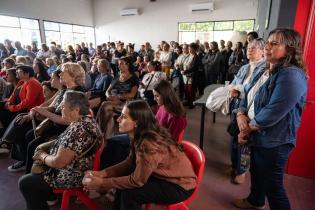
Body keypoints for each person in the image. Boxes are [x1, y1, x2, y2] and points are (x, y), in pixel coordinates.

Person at [233, 28, 308, 210]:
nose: (267, 46)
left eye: (274, 43)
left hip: (275, 140)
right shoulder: (267, 69)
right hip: (258, 135)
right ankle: (255, 201)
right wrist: (240, 112)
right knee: (257, 173)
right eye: (268, 42)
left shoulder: (291, 74)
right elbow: (248, 93)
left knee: (273, 187)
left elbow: (273, 111)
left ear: (290, 49)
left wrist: (246, 127)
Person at [83, 100, 196, 210]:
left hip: (179, 186)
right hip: (165, 177)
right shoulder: (139, 136)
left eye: (124, 117)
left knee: (130, 194)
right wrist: (101, 174)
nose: (118, 119)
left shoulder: (149, 144)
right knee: (123, 186)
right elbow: (129, 163)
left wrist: (103, 183)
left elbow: (137, 181)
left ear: (136, 123)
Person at [19, 91, 102, 210]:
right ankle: (45, 197)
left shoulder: (78, 130)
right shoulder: (87, 119)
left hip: (74, 174)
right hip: (80, 166)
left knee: (25, 183)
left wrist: (42, 156)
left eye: (63, 106)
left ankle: (45, 198)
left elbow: (59, 162)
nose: (60, 108)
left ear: (76, 110)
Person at [228, 38, 266, 184]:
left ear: (263, 51)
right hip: (236, 107)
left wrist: (239, 90)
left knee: (245, 143)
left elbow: (253, 91)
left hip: (249, 111)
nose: (249, 49)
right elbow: (234, 84)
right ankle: (233, 165)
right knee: (233, 138)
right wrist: (233, 88)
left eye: (254, 47)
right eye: (248, 47)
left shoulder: (264, 69)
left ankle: (242, 171)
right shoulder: (244, 67)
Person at [96, 57, 139, 139]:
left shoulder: (133, 78)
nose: (119, 66)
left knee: (105, 106)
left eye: (121, 64)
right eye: (118, 64)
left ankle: (98, 132)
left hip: (127, 104)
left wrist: (118, 97)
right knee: (108, 113)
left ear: (128, 65)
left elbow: (132, 94)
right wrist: (109, 97)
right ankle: (107, 139)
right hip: (114, 102)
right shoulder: (117, 76)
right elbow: (107, 91)